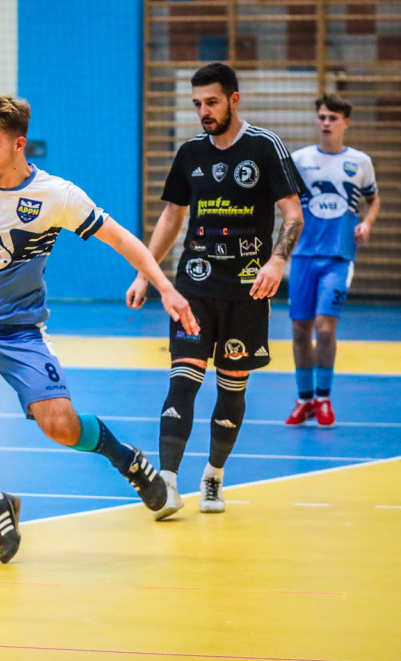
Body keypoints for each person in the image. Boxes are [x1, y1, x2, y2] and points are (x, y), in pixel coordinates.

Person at [0, 95, 198, 564]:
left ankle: (126, 459)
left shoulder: (56, 196)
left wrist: (163, 286)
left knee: (62, 427)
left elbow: (121, 238)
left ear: (18, 144)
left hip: (19, 333)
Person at [126, 63, 305, 519]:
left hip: (248, 291)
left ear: (234, 99)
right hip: (195, 285)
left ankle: (213, 476)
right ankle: (166, 483)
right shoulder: (190, 153)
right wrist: (146, 274)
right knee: (183, 380)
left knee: (231, 388)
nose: (203, 112)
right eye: (197, 104)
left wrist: (277, 260)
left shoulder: (265, 147)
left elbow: (293, 215)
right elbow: (172, 217)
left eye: (212, 102)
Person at [285, 94, 379, 428]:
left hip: (338, 258)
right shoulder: (299, 160)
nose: (326, 123)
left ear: (345, 122)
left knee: (325, 330)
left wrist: (366, 222)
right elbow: (286, 201)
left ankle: (324, 399)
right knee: (299, 330)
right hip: (302, 256)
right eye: (322, 117)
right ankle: (304, 400)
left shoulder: (360, 162)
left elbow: (373, 198)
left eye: (333, 118)